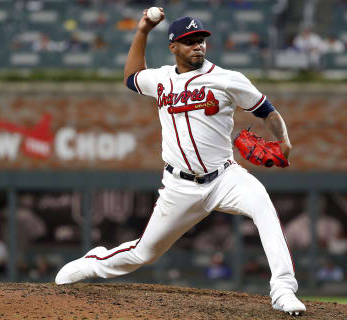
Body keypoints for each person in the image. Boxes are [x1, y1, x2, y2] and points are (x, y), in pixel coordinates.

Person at [55, 9, 306, 316]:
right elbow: (131, 78)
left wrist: (284, 139)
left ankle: (282, 289)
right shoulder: (161, 79)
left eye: (201, 40)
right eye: (189, 41)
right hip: (180, 186)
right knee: (143, 253)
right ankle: (94, 263)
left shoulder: (227, 79)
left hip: (225, 177)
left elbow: (267, 110)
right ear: (173, 47)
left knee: (263, 205)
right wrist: (143, 31)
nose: (197, 45)